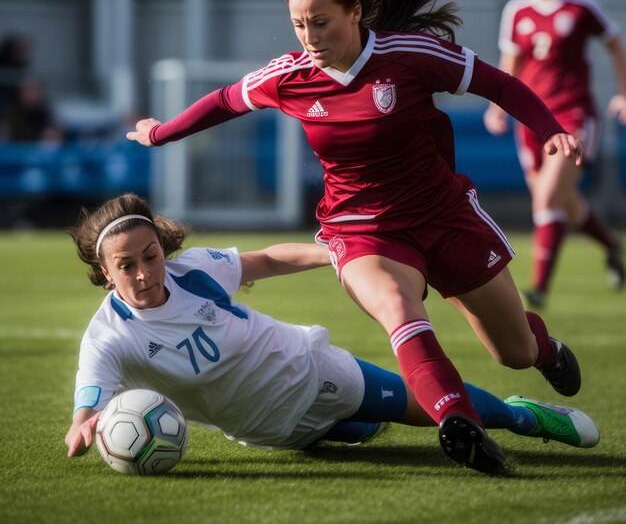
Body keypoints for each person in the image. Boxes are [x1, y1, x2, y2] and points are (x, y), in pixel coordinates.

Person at [126, 0, 586, 474]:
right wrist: (160, 132)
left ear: (356, 12)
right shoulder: (289, 75)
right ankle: (457, 422)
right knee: (398, 307)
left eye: (321, 23)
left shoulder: (411, 55)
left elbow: (499, 83)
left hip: (443, 215)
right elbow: (224, 101)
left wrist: (551, 127)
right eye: (298, 24)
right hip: (360, 226)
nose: (309, 38)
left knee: (514, 353)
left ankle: (546, 350)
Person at [65, 194, 600, 475]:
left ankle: (524, 415)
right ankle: (356, 425)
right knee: (362, 435)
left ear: (163, 250)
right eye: (126, 265)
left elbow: (269, 258)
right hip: (269, 430)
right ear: (104, 271)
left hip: (313, 370)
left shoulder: (196, 271)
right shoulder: (108, 337)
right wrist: (83, 424)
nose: (142, 273)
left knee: (433, 411)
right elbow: (90, 396)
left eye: (151, 256)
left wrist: (335, 251)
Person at [484, 0, 626, 308]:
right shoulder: (517, 10)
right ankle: (612, 245)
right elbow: (510, 64)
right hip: (530, 118)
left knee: (548, 197)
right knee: (561, 200)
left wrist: (624, 93)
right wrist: (497, 106)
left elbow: (614, 42)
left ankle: (539, 288)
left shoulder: (581, 8)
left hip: (573, 115)